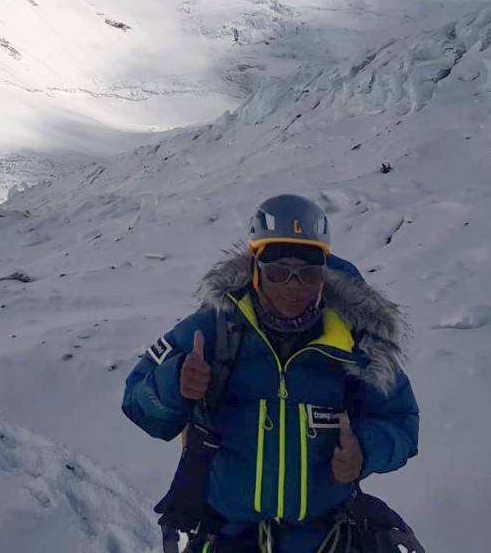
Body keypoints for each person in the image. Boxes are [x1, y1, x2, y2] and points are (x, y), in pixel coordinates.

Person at [123, 194, 419, 552]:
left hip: (325, 538)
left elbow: (401, 421)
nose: (293, 286)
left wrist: (367, 449)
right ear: (256, 269)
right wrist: (175, 384)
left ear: (323, 275)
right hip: (226, 537)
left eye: (308, 273)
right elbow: (137, 402)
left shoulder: (356, 343)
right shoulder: (213, 329)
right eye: (278, 272)